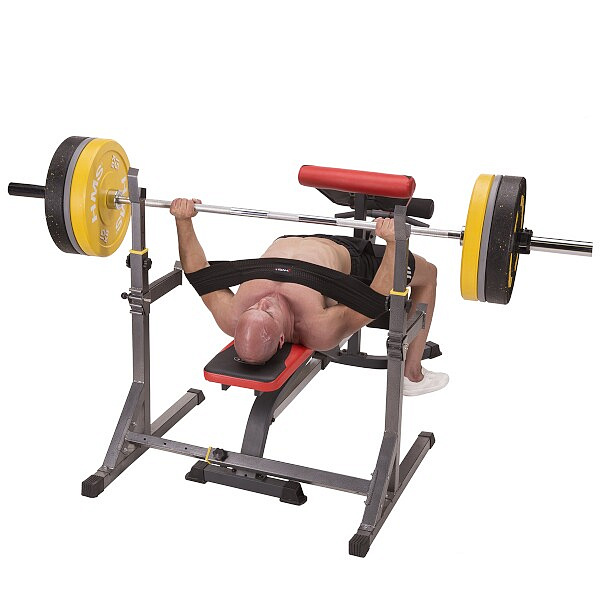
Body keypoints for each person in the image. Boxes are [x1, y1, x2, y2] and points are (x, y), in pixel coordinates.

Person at [171, 198, 449, 396]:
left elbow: (197, 272)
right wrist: (394, 242)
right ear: (282, 338)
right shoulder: (318, 329)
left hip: (293, 234)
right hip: (351, 256)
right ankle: (411, 374)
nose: (263, 302)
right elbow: (375, 299)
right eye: (267, 312)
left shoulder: (230, 317)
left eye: (253, 307)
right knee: (429, 275)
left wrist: (183, 220)